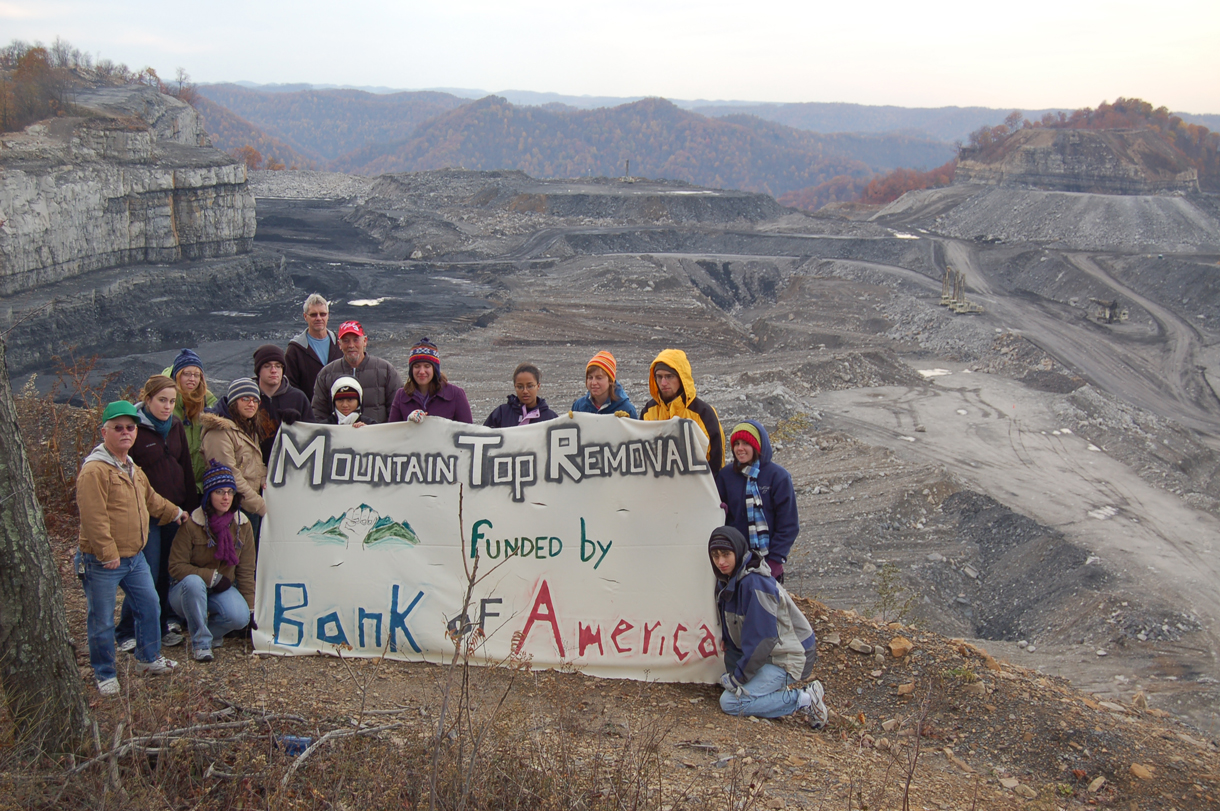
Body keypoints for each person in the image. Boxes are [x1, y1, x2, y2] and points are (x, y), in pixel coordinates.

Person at [76, 401, 187, 696]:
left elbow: (152, 500)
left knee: (150, 605)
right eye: (118, 427)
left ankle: (148, 658)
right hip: (103, 561)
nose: (125, 433)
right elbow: (93, 515)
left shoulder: (132, 468)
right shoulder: (95, 470)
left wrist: (176, 513)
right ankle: (104, 673)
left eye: (130, 427)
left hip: (135, 557)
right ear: (104, 431)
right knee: (101, 619)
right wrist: (106, 551)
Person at [114, 375, 200, 653]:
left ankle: (161, 624)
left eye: (172, 401)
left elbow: (184, 466)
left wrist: (188, 506)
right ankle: (128, 629)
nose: (167, 406)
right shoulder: (134, 429)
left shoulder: (175, 426)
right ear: (147, 399)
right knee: (145, 574)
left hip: (174, 513)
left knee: (166, 570)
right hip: (146, 516)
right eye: (162, 400)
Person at [708, 526, 826, 727]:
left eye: (726, 554)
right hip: (770, 656)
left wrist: (738, 679)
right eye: (715, 555)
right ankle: (774, 693)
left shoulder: (755, 584)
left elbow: (763, 639)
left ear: (737, 551)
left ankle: (805, 699)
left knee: (730, 702)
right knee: (734, 686)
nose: (720, 562)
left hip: (787, 657)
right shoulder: (728, 582)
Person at [168, 461, 256, 662]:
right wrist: (211, 577)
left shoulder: (242, 525)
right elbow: (175, 566)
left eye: (230, 492)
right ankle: (201, 644)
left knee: (239, 616)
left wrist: (250, 609)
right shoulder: (191, 524)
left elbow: (246, 570)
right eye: (219, 492)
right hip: (185, 591)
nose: (226, 498)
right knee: (193, 582)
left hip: (220, 589)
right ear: (209, 495)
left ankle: (211, 632)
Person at [716, 421, 799, 582]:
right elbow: (718, 517)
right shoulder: (726, 476)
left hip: (768, 561)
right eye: (736, 444)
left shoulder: (778, 477)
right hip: (734, 562)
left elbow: (788, 524)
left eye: (746, 443)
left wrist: (775, 560)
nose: (740, 448)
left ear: (758, 446)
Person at [201, 379, 267, 541]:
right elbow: (230, 476)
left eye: (255, 400)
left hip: (249, 504)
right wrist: (260, 505)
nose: (251, 404)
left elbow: (254, 464)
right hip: (232, 507)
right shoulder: (219, 432)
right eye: (245, 399)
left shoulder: (246, 427)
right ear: (233, 402)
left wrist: (264, 479)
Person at [641, 349, 725, 471]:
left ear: (681, 378)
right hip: (658, 487)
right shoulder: (648, 411)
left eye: (669, 376)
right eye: (659, 377)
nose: (663, 383)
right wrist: (623, 423)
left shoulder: (703, 413)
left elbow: (716, 461)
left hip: (694, 487)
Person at [312, 321, 402, 424]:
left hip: (376, 437)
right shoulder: (326, 374)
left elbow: (397, 409)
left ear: (365, 341)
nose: (351, 345)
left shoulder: (386, 370)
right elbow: (318, 414)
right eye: (346, 341)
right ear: (339, 344)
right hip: (339, 438)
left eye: (356, 340)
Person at [249, 344, 313, 463]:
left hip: (291, 466)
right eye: (267, 366)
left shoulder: (298, 398)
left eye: (278, 366)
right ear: (258, 370)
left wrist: (297, 426)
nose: (273, 370)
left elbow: (312, 435)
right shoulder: (247, 397)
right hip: (254, 467)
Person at [164, 348, 216, 494]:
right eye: (187, 374)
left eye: (196, 375)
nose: (192, 379)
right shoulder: (166, 404)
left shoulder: (209, 401)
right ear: (177, 375)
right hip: (173, 485)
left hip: (203, 485)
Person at [388, 337, 473, 424]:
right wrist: (408, 424)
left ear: (434, 369)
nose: (421, 371)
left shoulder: (455, 394)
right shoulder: (401, 396)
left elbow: (468, 432)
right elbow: (392, 433)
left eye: (427, 366)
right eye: (417, 366)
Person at [285, 293, 343, 402]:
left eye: (322, 314)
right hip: (309, 414)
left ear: (328, 315)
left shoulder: (339, 344)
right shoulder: (295, 349)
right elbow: (291, 385)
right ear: (305, 316)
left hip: (341, 411)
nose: (319, 318)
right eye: (313, 315)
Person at [484, 363, 558, 428]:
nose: (525, 391)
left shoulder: (550, 418)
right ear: (514, 386)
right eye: (520, 387)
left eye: (530, 386)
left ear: (538, 386)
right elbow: (484, 436)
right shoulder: (502, 413)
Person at [571, 350, 638, 418]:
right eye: (590, 378)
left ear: (611, 380)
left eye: (599, 378)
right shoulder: (579, 406)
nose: (593, 383)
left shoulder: (626, 409)